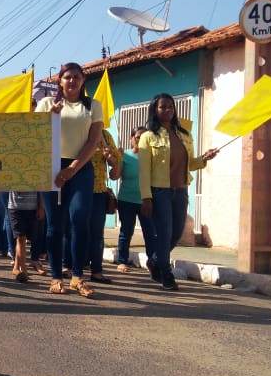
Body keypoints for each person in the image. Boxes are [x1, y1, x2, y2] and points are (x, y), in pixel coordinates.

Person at [139, 93, 219, 291]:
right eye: (162, 107)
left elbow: (190, 164)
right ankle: (166, 273)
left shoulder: (184, 134)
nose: (167, 110)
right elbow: (144, 171)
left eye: (170, 107)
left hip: (181, 191)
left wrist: (204, 158)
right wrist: (146, 197)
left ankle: (155, 260)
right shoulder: (148, 137)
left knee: (176, 233)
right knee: (165, 233)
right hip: (160, 192)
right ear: (154, 110)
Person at [36, 63, 102, 298]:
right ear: (59, 81)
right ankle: (56, 276)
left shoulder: (93, 106)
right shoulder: (46, 104)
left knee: (79, 218)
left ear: (83, 80)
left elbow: (94, 142)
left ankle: (77, 276)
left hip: (81, 168)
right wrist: (50, 117)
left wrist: (72, 169)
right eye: (67, 77)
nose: (72, 81)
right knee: (55, 224)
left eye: (76, 77)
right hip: (52, 167)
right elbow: (35, 136)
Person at [115, 126, 156, 272]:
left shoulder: (152, 156)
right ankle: (122, 261)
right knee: (126, 231)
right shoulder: (125, 155)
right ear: (131, 138)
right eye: (138, 137)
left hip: (146, 200)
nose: (141, 140)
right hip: (126, 200)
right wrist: (117, 159)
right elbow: (114, 176)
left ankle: (153, 263)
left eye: (145, 138)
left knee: (150, 233)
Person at [85, 128, 121, 283]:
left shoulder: (105, 135)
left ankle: (96, 271)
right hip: (75, 188)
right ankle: (69, 266)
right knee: (73, 229)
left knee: (97, 232)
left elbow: (116, 166)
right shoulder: (75, 129)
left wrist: (110, 157)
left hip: (99, 190)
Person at [9, 191, 44, 282]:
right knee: (21, 238)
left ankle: (16, 267)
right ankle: (23, 270)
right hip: (15, 207)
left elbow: (42, 187)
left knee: (26, 238)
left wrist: (41, 206)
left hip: (33, 207)